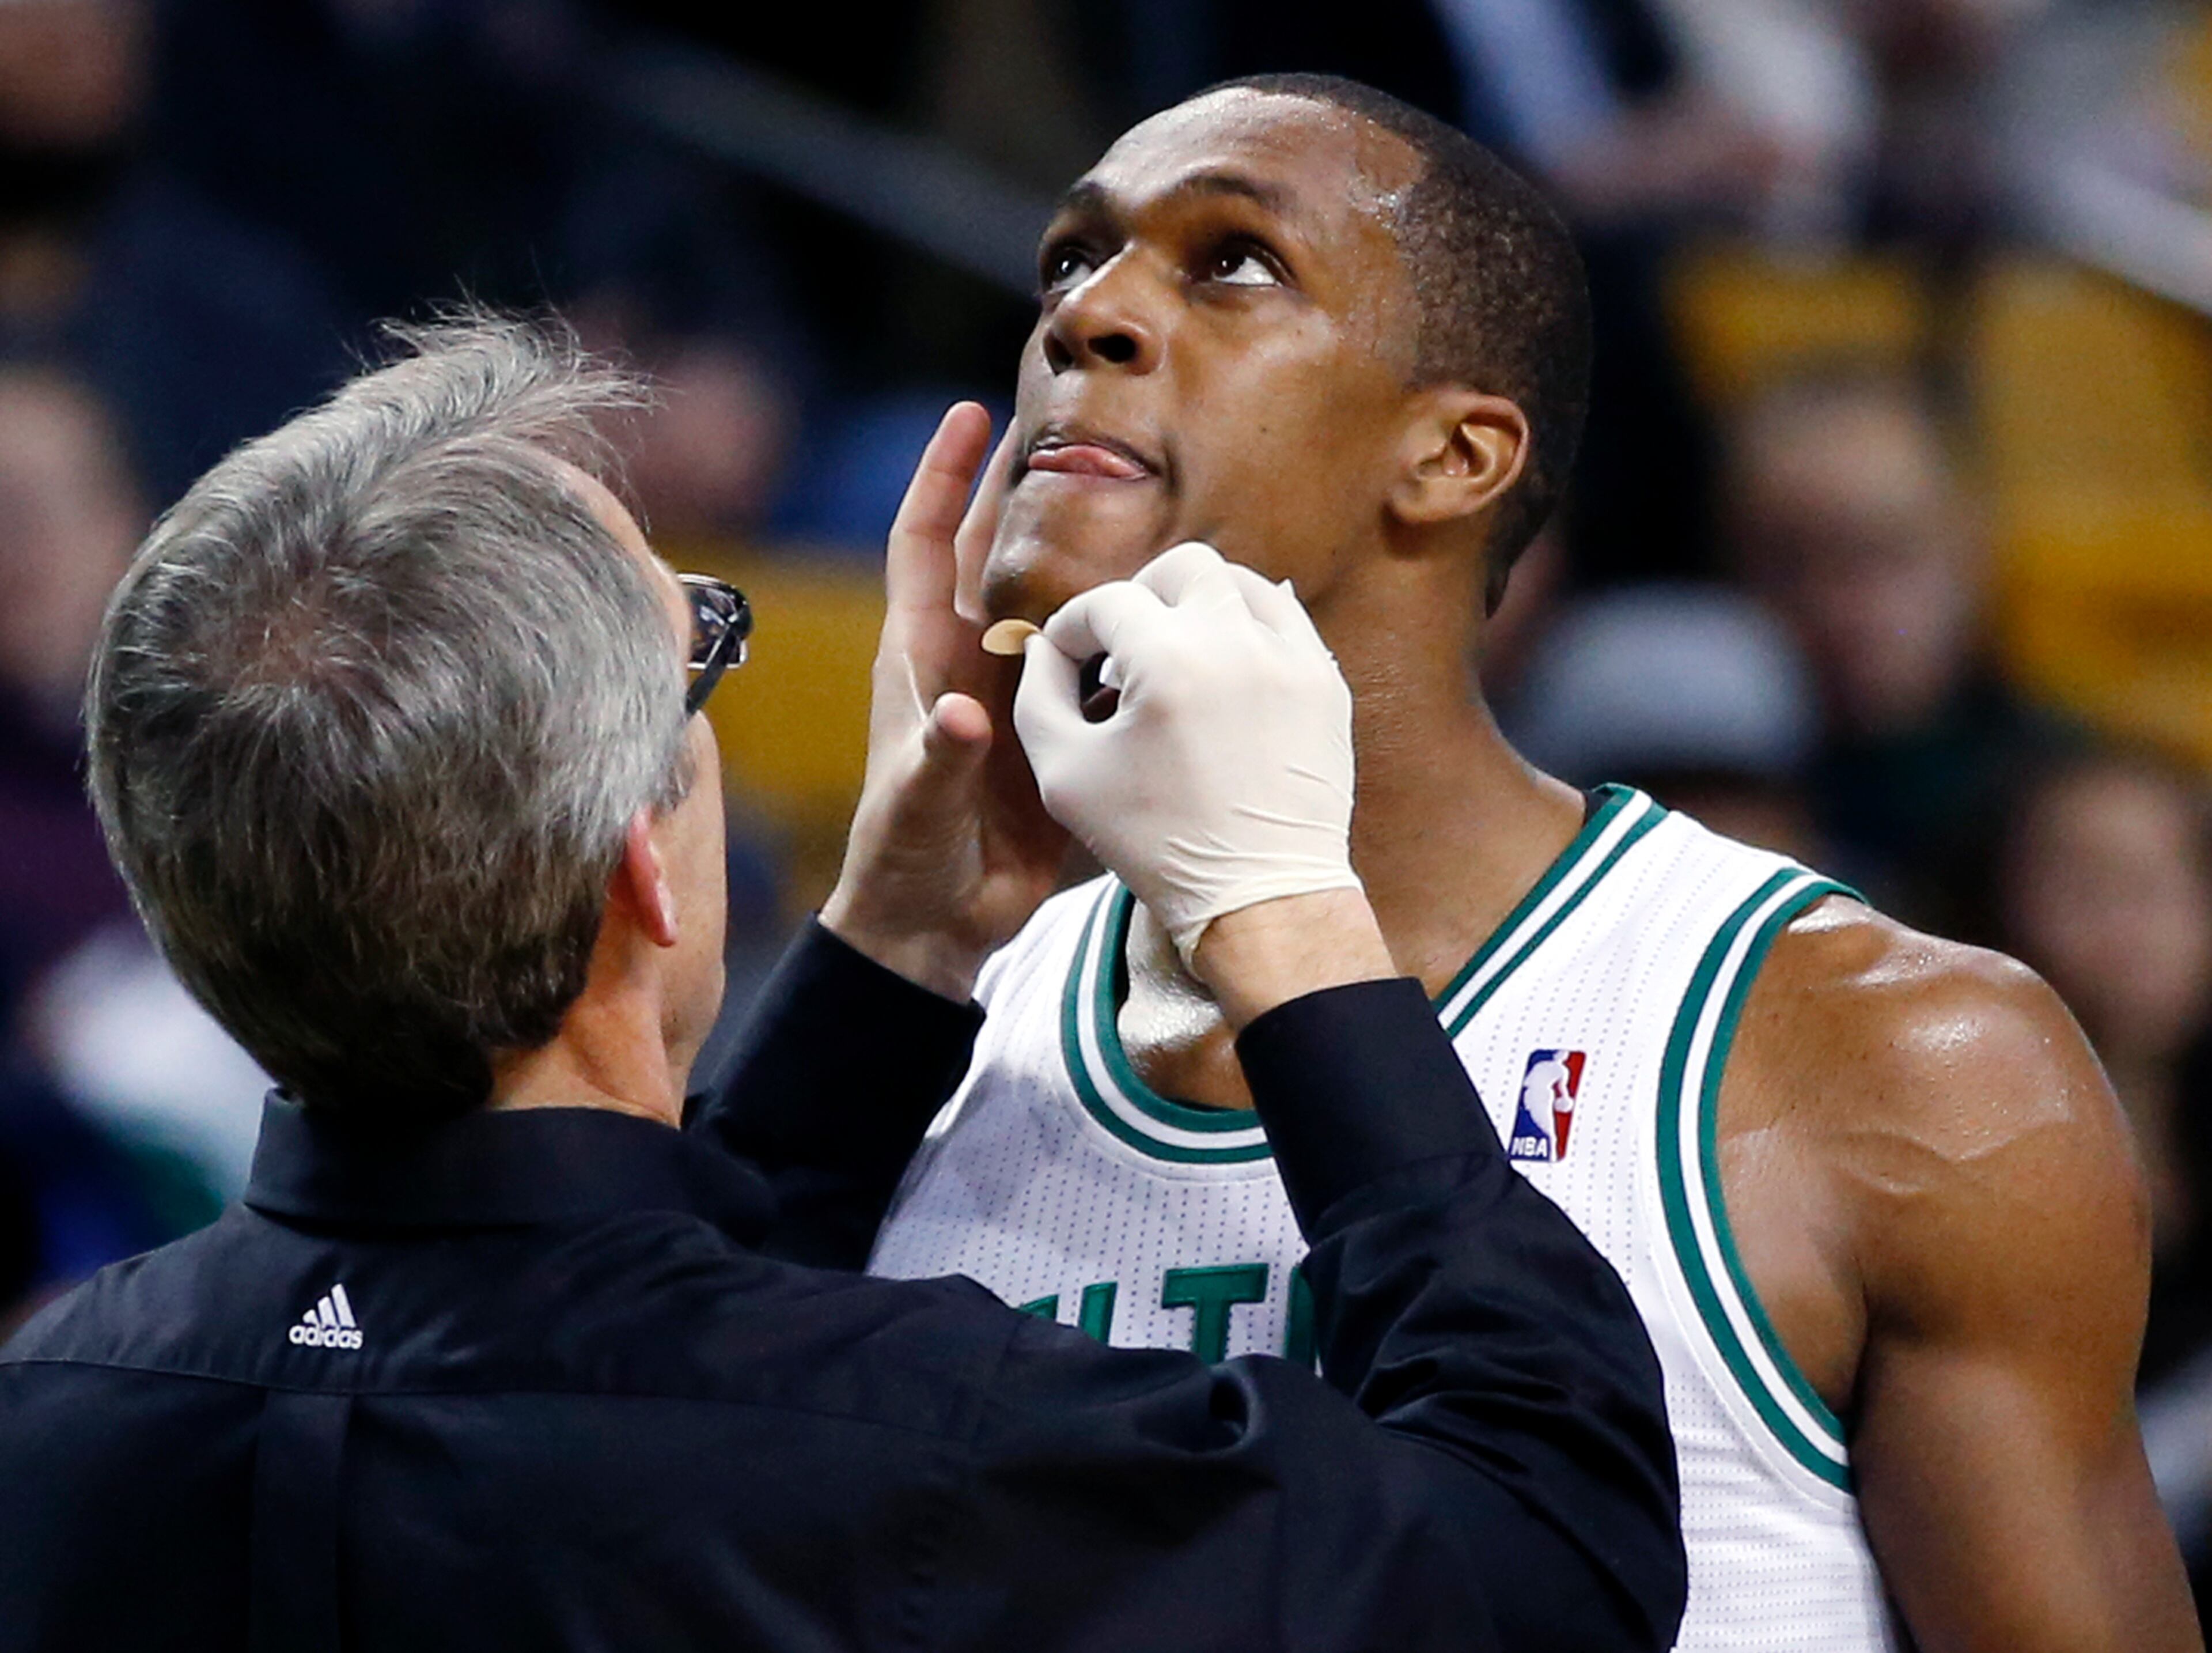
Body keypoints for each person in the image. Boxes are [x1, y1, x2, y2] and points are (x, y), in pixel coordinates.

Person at [0, 316, 1685, 1651]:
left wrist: (897, 954)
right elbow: (1547, 1546)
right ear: (640, 871)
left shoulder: (55, 1415)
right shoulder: (921, 1446)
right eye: (698, 655)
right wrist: (1288, 914)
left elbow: (577, 1328)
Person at [865, 73, 2201, 1651]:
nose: (1088, 317)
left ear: (1455, 456)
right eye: (1070, 263)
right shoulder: (909, 1038)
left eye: (1230, 261)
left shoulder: (1885, 1058)